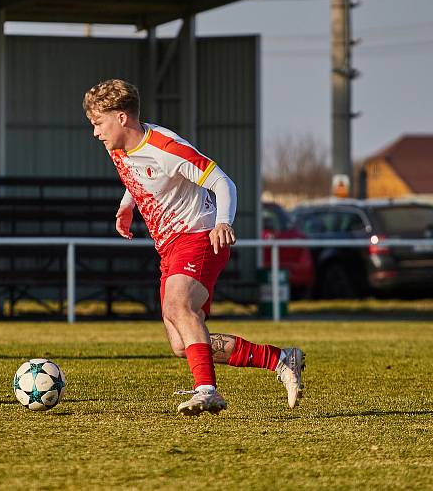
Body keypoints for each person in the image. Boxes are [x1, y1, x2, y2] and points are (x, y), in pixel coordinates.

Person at [82, 79, 304, 416]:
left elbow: (222, 181)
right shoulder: (117, 147)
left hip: (200, 237)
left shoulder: (167, 148)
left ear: (122, 117)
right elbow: (139, 176)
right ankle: (280, 359)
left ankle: (207, 390)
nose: (96, 132)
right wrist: (127, 205)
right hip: (169, 248)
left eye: (99, 123)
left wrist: (224, 222)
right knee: (180, 343)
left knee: (176, 306)